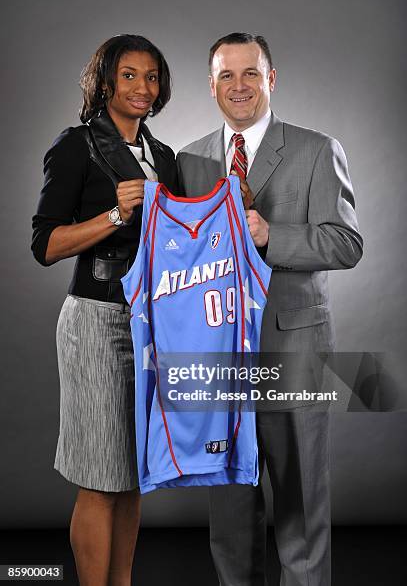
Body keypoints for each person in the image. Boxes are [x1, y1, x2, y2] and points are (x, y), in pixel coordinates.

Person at [177, 32, 363, 586]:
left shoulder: (316, 149)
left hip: (294, 351)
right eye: (226, 76)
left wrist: (269, 236)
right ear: (210, 85)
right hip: (219, 362)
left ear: (270, 79)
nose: (239, 86)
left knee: (300, 503)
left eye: (250, 73)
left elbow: (345, 244)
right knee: (230, 514)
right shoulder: (188, 161)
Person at [31, 34, 179, 586]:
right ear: (105, 82)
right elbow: (44, 245)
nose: (143, 87)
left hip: (150, 324)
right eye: (129, 76)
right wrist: (115, 216)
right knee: (98, 476)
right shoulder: (76, 145)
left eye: (152, 77)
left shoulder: (162, 156)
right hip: (95, 320)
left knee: (132, 476)